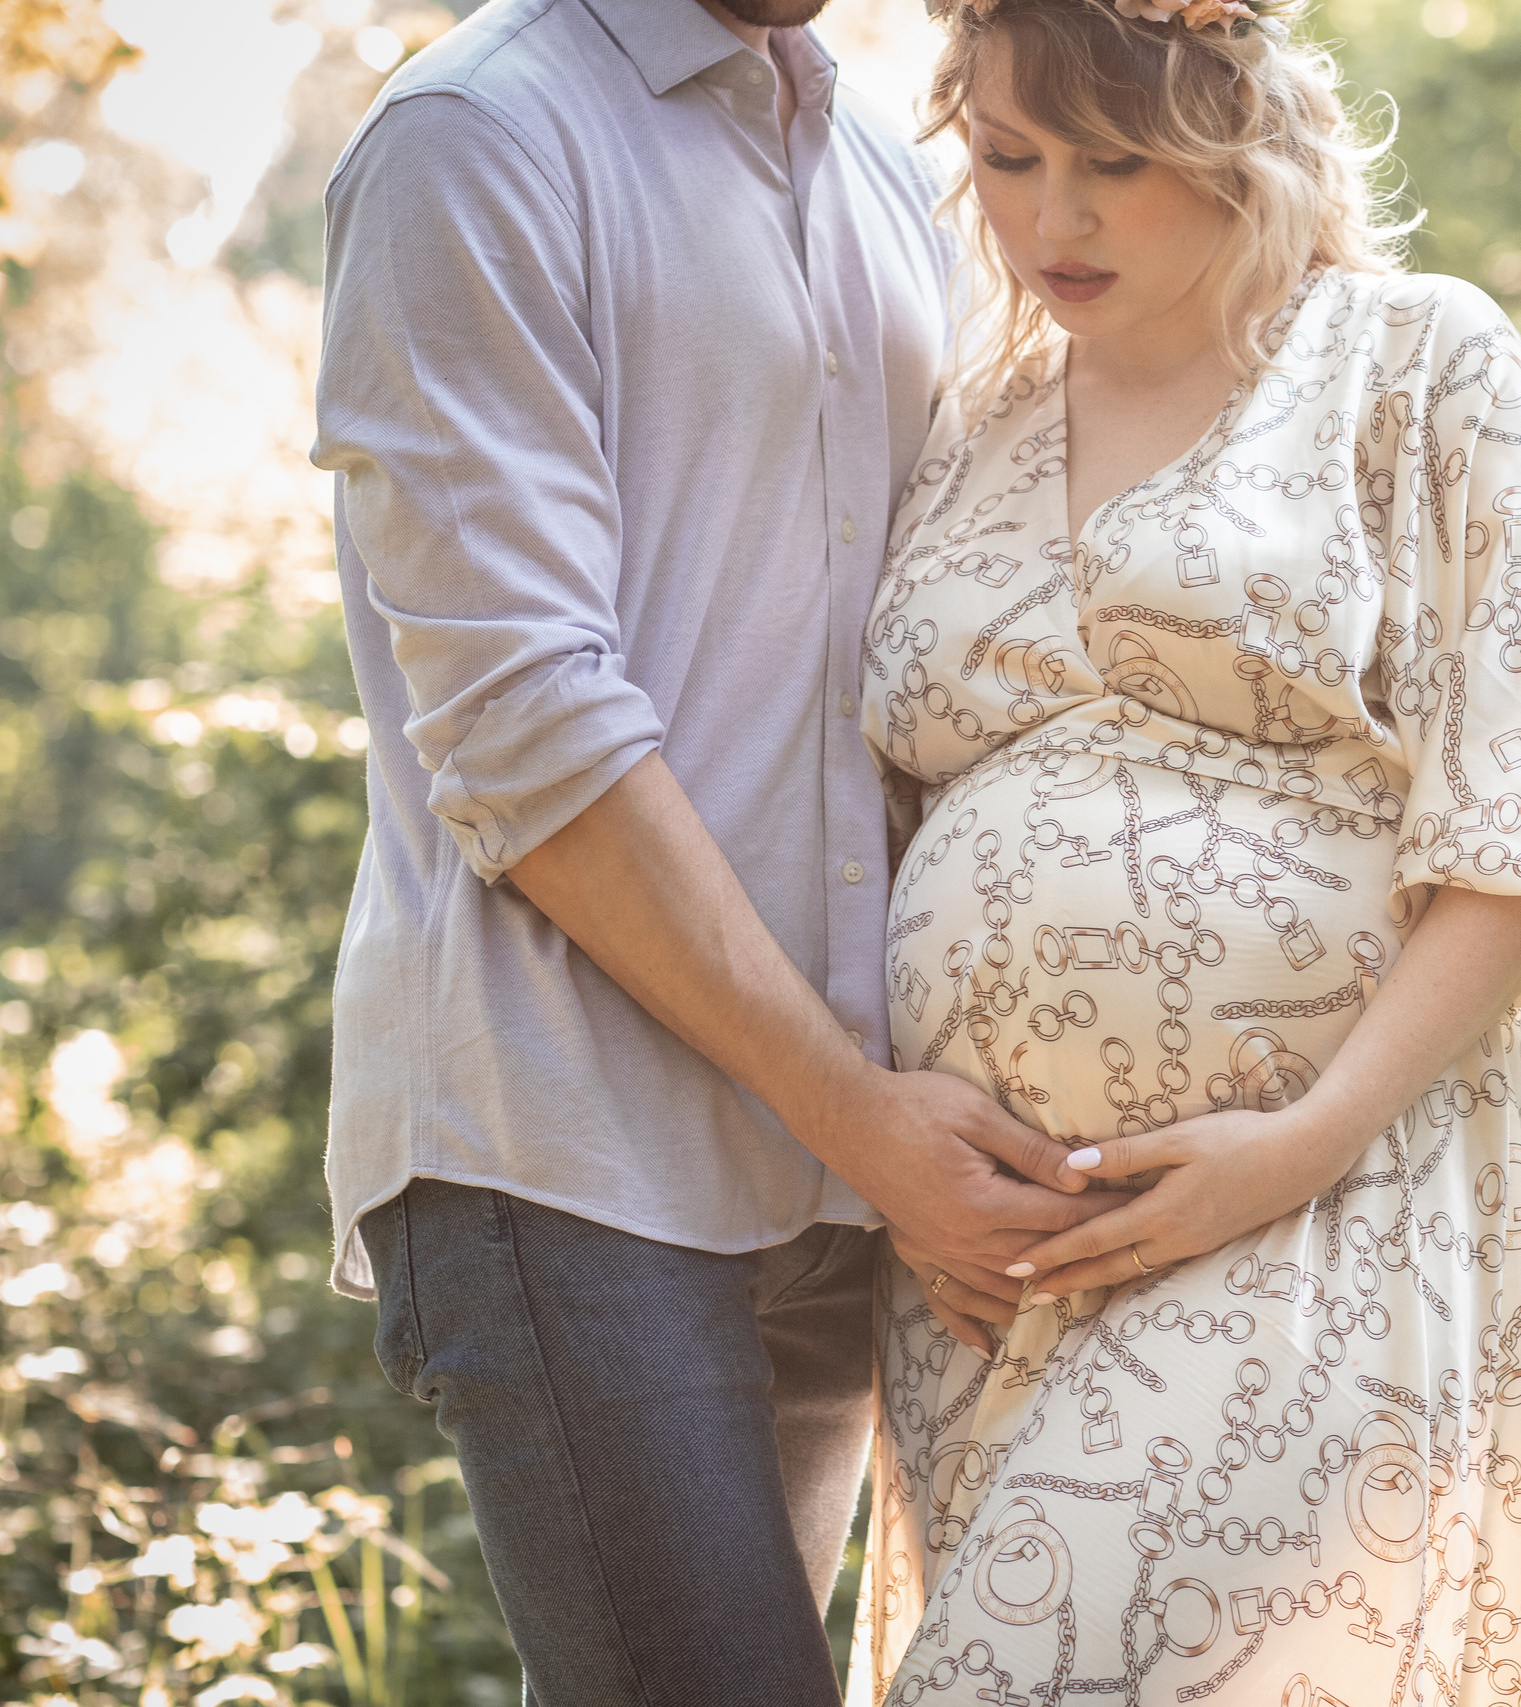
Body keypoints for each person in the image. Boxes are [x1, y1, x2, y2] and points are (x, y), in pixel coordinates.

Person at [853, 0, 1521, 1697]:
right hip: (984, 1273)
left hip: (1311, 1209)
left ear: (1240, 143)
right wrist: (899, 1162)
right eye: (1009, 159)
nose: (1050, 220)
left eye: (1116, 167)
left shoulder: (1414, 360)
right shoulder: (965, 421)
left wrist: (1300, 1141)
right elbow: (884, 821)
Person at [309, 1, 1120, 1700]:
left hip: (833, 1170)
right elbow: (525, 723)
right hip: (568, 1144)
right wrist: (861, 1112)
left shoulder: (895, 173)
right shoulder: (476, 139)